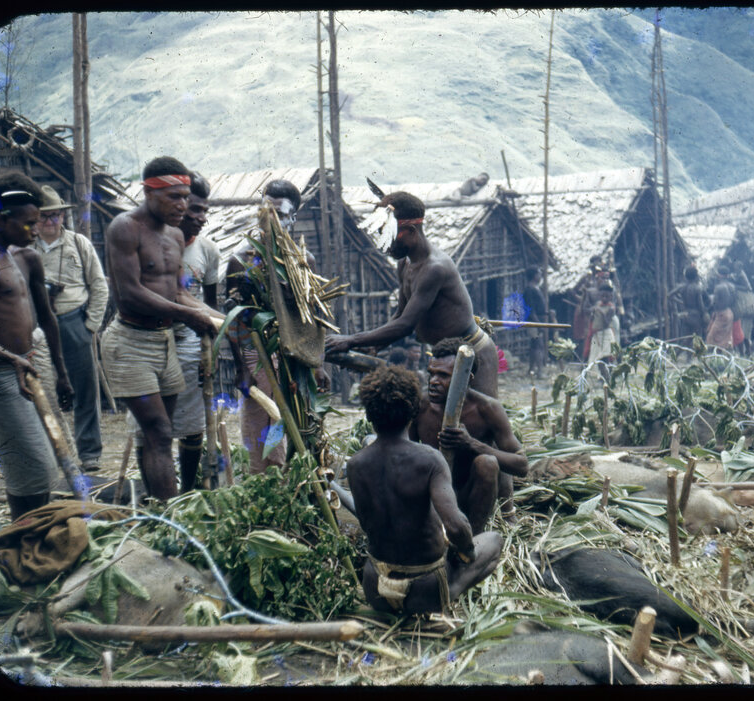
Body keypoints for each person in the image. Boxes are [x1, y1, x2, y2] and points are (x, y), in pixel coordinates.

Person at [101, 157, 220, 501]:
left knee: (159, 435)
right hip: (130, 344)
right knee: (158, 429)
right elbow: (130, 292)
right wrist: (187, 316)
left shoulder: (173, 235)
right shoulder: (125, 227)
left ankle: (158, 508)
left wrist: (221, 319)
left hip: (163, 342)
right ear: (148, 193)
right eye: (174, 197)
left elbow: (179, 292)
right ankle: (170, 517)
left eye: (185, 196)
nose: (182, 205)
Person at [347, 365, 503, 615]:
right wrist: (466, 553)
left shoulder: (355, 464)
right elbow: (456, 526)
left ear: (368, 415)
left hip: (375, 589)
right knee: (494, 540)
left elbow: (364, 518)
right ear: (413, 410)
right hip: (426, 591)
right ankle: (451, 592)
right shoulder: (429, 459)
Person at [325, 191, 499, 398]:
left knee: (479, 420)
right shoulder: (404, 264)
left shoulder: (434, 268)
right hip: (446, 355)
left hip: (473, 351)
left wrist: (352, 340)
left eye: (389, 235)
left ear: (410, 230)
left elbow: (406, 325)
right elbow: (400, 314)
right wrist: (375, 346)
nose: (385, 244)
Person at [0, 173, 75, 520]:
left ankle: (26, 534)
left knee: (41, 461)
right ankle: (26, 535)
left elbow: (48, 318)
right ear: (1, 219)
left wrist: (62, 374)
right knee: (34, 464)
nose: (36, 230)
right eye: (29, 224)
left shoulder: (25, 258)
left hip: (30, 366)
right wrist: (10, 359)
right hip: (0, 373)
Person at [225, 179, 319, 473]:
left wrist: (317, 364)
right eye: (266, 210)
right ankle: (263, 480)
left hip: (295, 356)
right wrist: (242, 366)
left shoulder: (305, 261)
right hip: (256, 356)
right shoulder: (242, 260)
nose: (271, 219)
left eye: (280, 213)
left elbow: (311, 317)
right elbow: (235, 318)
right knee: (260, 423)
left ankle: (292, 480)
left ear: (294, 217)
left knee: (295, 423)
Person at [409, 338, 528, 533]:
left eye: (443, 375)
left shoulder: (487, 409)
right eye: (432, 374)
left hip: (470, 496)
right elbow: (407, 451)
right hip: (432, 494)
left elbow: (522, 465)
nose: (433, 382)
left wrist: (472, 444)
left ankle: (472, 539)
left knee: (487, 463)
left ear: (467, 378)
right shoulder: (421, 406)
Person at [33, 185, 109, 473]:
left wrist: (90, 325)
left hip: (73, 320)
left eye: (56, 216)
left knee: (85, 389)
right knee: (43, 389)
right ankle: (53, 454)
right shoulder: (26, 247)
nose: (51, 223)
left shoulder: (78, 243)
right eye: (44, 218)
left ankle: (89, 454)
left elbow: (99, 285)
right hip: (39, 328)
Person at [586, 283, 621, 378]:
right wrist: (593, 313)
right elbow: (589, 314)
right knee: (597, 358)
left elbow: (606, 323)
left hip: (606, 334)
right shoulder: (598, 304)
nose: (604, 298)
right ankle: (603, 377)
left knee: (605, 357)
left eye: (606, 296)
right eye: (602, 296)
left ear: (611, 296)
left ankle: (608, 378)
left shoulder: (611, 308)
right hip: (597, 334)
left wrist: (600, 311)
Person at [522, 266, 547, 378]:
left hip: (537, 320)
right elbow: (531, 310)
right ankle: (540, 372)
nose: (541, 276)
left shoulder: (535, 288)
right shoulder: (529, 290)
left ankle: (531, 370)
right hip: (533, 321)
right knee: (538, 345)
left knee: (534, 345)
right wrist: (539, 324)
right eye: (539, 273)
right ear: (534, 275)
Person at [705, 266, 735, 351]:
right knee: (726, 337)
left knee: (711, 337)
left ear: (719, 275)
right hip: (729, 312)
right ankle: (724, 356)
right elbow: (733, 301)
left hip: (721, 313)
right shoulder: (732, 286)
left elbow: (715, 303)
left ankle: (711, 357)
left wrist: (708, 307)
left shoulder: (719, 287)